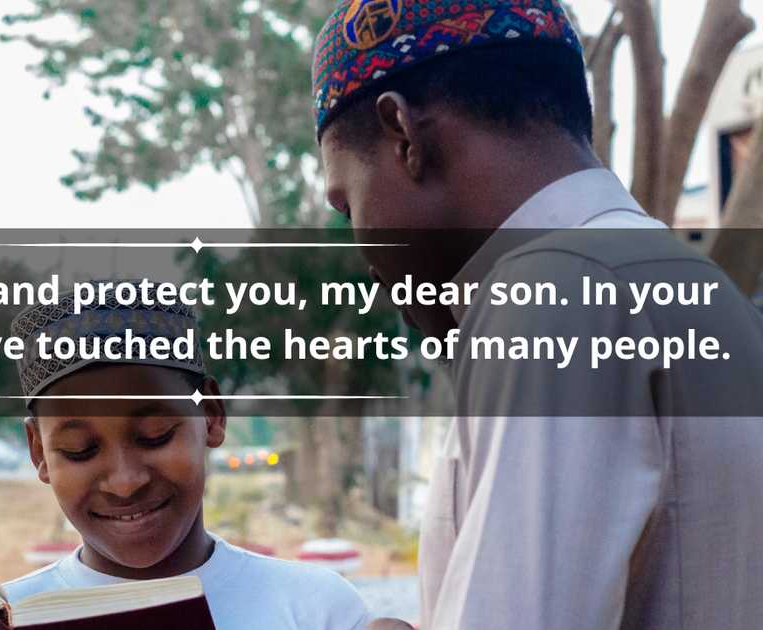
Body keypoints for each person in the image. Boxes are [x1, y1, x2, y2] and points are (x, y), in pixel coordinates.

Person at [312, 1, 763, 629]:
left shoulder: (554, 298)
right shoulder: (705, 293)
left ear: (403, 136)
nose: (361, 250)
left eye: (347, 202)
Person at [3, 284, 373, 629]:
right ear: (39, 451)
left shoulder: (316, 608)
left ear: (210, 415)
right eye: (80, 451)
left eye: (155, 436)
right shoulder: (3, 616)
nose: (125, 482)